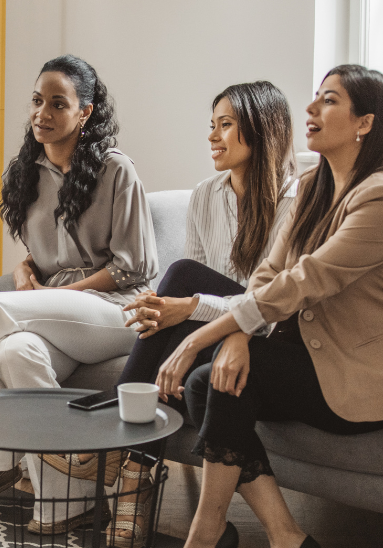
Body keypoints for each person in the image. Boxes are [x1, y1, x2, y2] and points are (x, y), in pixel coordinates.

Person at [157, 65, 383, 548]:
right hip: (329, 357)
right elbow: (268, 275)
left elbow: (305, 281)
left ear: (365, 123)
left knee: (214, 379)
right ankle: (286, 536)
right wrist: (237, 335)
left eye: (329, 100)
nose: (310, 109)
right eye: (314, 98)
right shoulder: (313, 187)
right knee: (209, 383)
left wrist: (202, 335)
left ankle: (206, 534)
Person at [79, 81, 296, 547]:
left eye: (226, 126)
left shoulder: (294, 202)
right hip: (218, 331)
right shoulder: (206, 194)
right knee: (177, 290)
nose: (213, 137)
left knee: (177, 279)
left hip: (265, 337)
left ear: (259, 130)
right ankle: (136, 472)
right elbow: (199, 278)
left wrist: (191, 307)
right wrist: (181, 307)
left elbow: (272, 309)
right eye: (211, 126)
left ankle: (123, 444)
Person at [0, 55, 158, 532]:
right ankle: (67, 500)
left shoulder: (115, 171)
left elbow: (135, 266)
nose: (42, 113)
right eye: (36, 101)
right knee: (16, 352)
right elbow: (39, 255)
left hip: (118, 311)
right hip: (56, 313)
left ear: (84, 112)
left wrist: (51, 291)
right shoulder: (29, 172)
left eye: (57, 103)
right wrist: (28, 273)